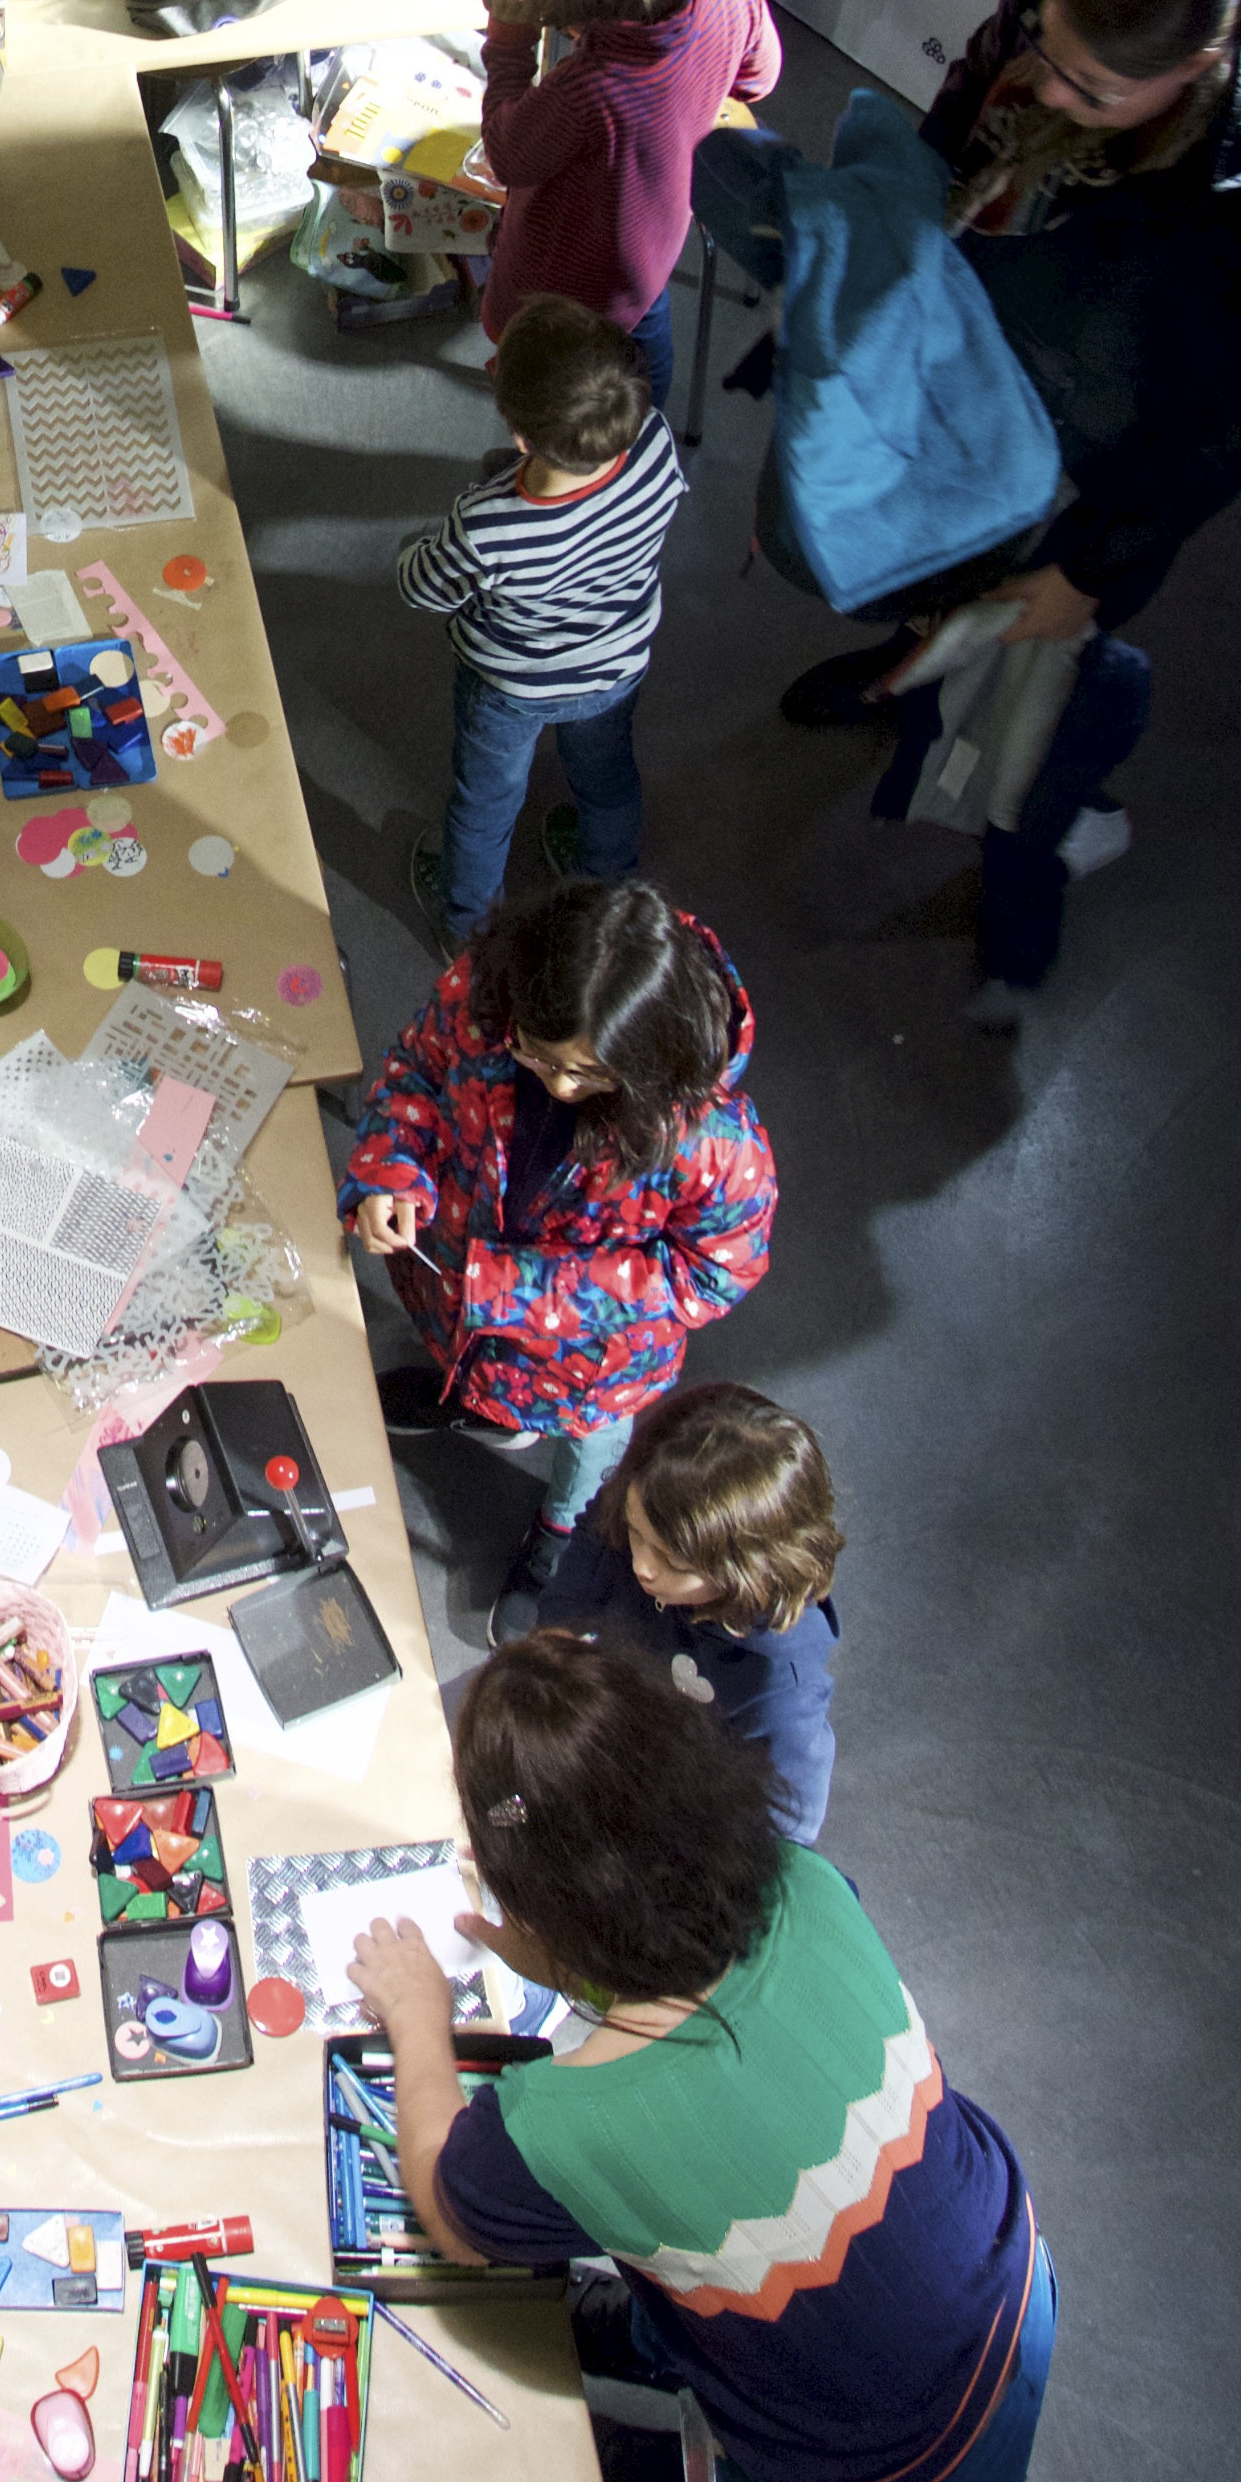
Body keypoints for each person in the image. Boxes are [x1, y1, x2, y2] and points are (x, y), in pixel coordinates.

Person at [353, 1635, 1049, 2482]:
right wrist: (562, 1949)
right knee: (716, 2273)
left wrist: (419, 2018)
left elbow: (447, 2202)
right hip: (1008, 2287)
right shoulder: (810, 1888)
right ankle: (663, 2345)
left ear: (547, 1918)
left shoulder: (562, 2125)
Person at [778, 0, 1241, 1017]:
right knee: (942, 549)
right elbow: (963, 120)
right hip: (1009, 341)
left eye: (1091, 92)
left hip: (1114, 434)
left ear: (1193, 71)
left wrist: (1089, 568)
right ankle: (907, 663)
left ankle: (1014, 868)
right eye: (1049, 53)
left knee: (1035, 681)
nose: (1048, 94)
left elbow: (1218, 431)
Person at [341, 875, 774, 1632]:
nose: (564, 1088)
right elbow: (415, 1067)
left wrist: (517, 1290)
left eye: (593, 1074)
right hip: (455, 1288)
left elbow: (715, 1271)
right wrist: (390, 1167)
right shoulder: (482, 993)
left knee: (587, 1451)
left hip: (586, 1367)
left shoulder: (715, 1140)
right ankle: (471, 1402)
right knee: (460, 1358)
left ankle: (562, 1529)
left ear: (648, 1061)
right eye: (539, 1058)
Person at [397, 297, 685, 953]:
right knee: (607, 776)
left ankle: (467, 927)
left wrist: (412, 550)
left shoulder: (489, 520)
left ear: (520, 438)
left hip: (510, 684)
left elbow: (423, 589)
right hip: (613, 661)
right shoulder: (654, 440)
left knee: (485, 804)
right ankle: (606, 884)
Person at [464, 0, 781, 411]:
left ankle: (559, 467)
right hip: (655, 239)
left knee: (558, 392)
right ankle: (644, 439)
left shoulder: (593, 83)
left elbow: (507, 153)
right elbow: (758, 78)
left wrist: (510, 42)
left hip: (566, 280)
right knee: (643, 328)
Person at [530, 1381, 841, 1844]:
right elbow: (582, 1570)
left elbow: (782, 1828)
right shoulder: (647, 1505)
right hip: (615, 1722)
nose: (642, 1566)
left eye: (674, 1563)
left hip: (678, 1807)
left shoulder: (779, 1685)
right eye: (636, 1534)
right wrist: (554, 1650)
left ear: (747, 1572)